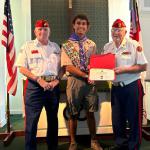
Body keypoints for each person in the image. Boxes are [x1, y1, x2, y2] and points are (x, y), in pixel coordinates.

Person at [16, 19, 64, 150]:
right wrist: (38, 80)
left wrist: (56, 80)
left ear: (49, 31)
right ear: (35, 31)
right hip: (35, 87)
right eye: (40, 29)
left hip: (53, 87)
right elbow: (21, 68)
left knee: (53, 121)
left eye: (45, 29)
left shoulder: (56, 47)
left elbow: (63, 68)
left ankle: (52, 147)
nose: (43, 31)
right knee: (31, 124)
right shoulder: (27, 46)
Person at [103, 19, 148, 150]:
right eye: (114, 30)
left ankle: (134, 146)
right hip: (116, 88)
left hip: (132, 86)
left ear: (125, 31)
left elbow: (143, 66)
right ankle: (121, 145)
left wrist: (125, 69)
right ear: (111, 32)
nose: (116, 33)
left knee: (134, 119)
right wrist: (95, 70)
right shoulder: (107, 47)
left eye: (119, 30)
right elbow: (102, 66)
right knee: (117, 120)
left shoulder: (134, 45)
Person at [61, 14, 103, 150]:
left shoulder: (92, 45)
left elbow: (94, 64)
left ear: (87, 27)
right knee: (73, 113)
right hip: (74, 82)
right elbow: (68, 67)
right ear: (74, 25)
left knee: (91, 112)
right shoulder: (66, 45)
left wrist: (95, 71)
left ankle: (94, 141)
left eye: (84, 24)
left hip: (90, 83)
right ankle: (73, 142)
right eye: (78, 23)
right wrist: (86, 75)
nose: (81, 26)